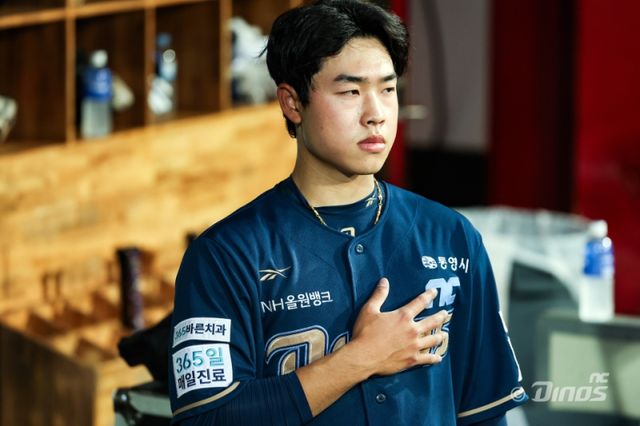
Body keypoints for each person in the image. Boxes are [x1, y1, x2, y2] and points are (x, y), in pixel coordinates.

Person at [168, 1, 527, 425]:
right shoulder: (226, 256)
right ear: (292, 103)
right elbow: (206, 419)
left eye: (388, 89)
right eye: (351, 92)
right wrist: (362, 358)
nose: (376, 114)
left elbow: (485, 413)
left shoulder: (451, 237)